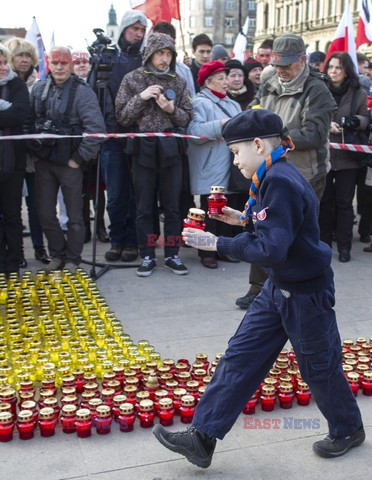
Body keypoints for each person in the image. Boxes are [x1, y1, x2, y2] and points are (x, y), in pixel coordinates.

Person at [153, 109, 365, 468]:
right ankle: (202, 437)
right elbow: (276, 226)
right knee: (240, 357)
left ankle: (347, 429)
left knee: (319, 367)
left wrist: (215, 243)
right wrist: (241, 219)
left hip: (304, 294)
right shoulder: (271, 175)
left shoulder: (279, 180)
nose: (234, 161)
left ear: (257, 145)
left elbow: (271, 248)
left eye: (236, 152)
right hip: (277, 287)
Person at [236, 33, 336, 310]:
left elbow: (314, 135)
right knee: (261, 226)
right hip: (268, 171)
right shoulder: (269, 82)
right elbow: (255, 113)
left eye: (287, 65)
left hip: (306, 173)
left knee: (296, 236)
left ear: (303, 60)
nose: (281, 70)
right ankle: (259, 287)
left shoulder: (317, 90)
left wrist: (273, 138)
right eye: (277, 64)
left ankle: (299, 288)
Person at [115, 33, 192, 277]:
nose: (165, 59)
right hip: (143, 148)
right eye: (160, 53)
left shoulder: (178, 80)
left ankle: (172, 254)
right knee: (144, 207)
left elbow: (187, 116)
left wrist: (171, 109)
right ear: (150, 54)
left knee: (171, 206)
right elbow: (122, 116)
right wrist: (141, 97)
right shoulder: (133, 79)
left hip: (170, 147)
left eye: (169, 54)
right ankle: (147, 253)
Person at [28, 46, 106, 272]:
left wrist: (79, 158)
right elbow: (29, 122)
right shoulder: (39, 89)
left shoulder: (83, 92)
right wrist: (32, 148)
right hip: (44, 161)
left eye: (64, 62)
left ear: (71, 65)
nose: (60, 67)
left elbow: (96, 129)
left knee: (74, 215)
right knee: (44, 212)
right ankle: (57, 254)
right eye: (56, 62)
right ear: (48, 64)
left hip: (70, 163)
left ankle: (73, 258)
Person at [89, 10, 148, 263]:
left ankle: (133, 242)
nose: (138, 33)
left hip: (138, 136)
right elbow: (95, 95)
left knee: (137, 193)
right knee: (115, 194)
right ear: (124, 28)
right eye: (135, 28)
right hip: (112, 136)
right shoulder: (107, 58)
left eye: (142, 30)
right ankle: (117, 240)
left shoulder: (146, 59)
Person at [187, 61, 241, 269]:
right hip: (211, 165)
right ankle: (206, 252)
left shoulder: (232, 103)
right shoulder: (200, 103)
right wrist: (220, 125)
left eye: (226, 77)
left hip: (231, 163)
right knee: (210, 211)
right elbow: (195, 132)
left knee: (227, 209)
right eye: (221, 78)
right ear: (208, 82)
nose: (226, 82)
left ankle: (224, 249)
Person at [319, 52, 368, 263]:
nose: (333, 71)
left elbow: (366, 118)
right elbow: (313, 113)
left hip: (348, 157)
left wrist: (353, 121)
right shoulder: (320, 89)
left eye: (338, 67)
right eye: (330, 67)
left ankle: (345, 246)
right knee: (325, 201)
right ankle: (322, 245)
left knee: (345, 203)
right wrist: (326, 123)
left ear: (347, 69)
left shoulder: (358, 92)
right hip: (325, 155)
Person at [5, 37, 50, 266]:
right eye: (19, 55)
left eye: (28, 55)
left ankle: (40, 248)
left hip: (33, 154)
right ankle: (16, 253)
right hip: (10, 153)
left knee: (36, 202)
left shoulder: (40, 82)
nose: (24, 60)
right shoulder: (8, 83)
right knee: (12, 206)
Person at [73, 49, 109, 244]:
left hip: (95, 145)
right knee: (81, 190)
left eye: (84, 62)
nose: (81, 65)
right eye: (77, 62)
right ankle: (85, 227)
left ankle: (100, 226)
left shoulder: (96, 83)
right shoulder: (71, 85)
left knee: (97, 190)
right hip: (76, 146)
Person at [0, 43, 30, 276]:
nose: (1, 67)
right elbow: (10, 115)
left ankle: (15, 259)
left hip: (13, 161)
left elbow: (20, 113)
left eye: (3, 62)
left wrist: (9, 115)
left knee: (12, 213)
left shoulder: (17, 84)